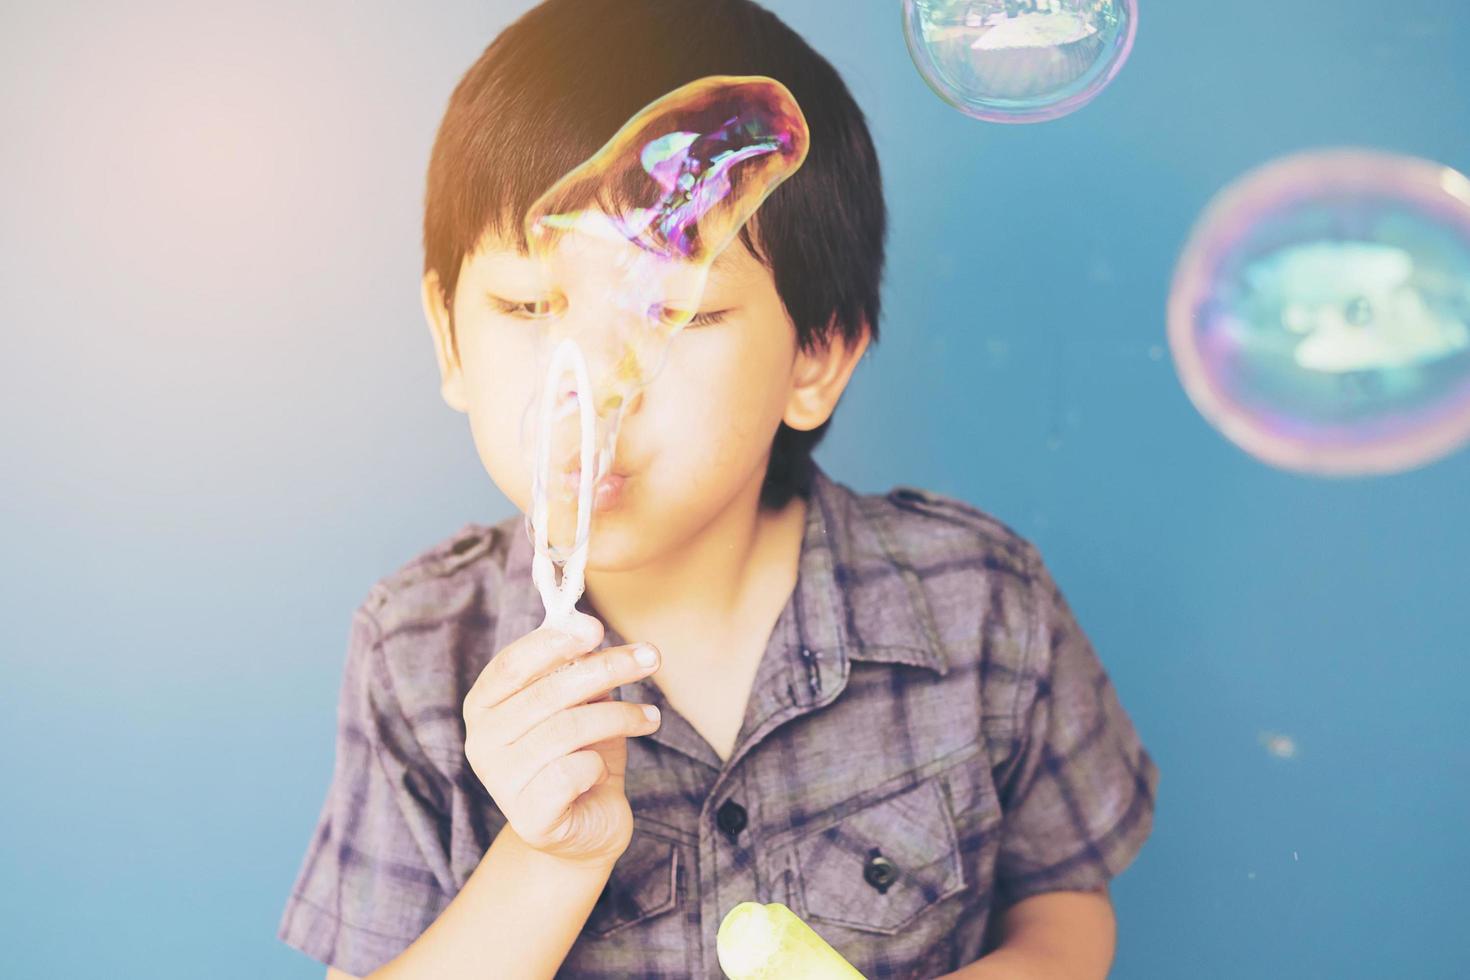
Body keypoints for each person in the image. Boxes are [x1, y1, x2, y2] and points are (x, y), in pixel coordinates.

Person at [275, 1, 1159, 977]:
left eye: (673, 309)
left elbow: (1064, 906)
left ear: (814, 356)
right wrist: (546, 857)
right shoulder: (417, 652)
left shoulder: (984, 600)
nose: (599, 384)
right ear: (448, 337)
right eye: (529, 305)